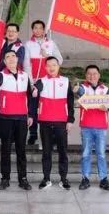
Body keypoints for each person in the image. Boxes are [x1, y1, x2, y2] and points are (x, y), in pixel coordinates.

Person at [0, 50, 33, 191]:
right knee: (6, 149)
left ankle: (23, 178)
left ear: (17, 59)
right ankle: (5, 179)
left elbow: (29, 96)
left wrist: (30, 115)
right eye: (7, 57)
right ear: (4, 61)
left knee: (21, 150)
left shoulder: (25, 76)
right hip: (6, 118)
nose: (11, 59)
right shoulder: (0, 75)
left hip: (21, 118)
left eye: (13, 56)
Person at [31, 56, 75, 190]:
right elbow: (33, 98)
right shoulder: (41, 81)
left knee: (63, 152)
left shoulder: (65, 81)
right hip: (45, 121)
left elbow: (70, 102)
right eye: (49, 65)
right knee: (46, 152)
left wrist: (70, 120)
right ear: (45, 67)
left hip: (61, 122)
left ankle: (63, 178)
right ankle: (46, 178)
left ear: (58, 66)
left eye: (54, 65)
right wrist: (34, 91)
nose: (51, 67)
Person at [24, 20, 63, 146]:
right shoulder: (28, 44)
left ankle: (50, 134)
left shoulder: (50, 43)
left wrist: (47, 56)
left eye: (40, 28)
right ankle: (33, 133)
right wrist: (31, 82)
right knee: (33, 108)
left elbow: (60, 60)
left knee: (47, 107)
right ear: (32, 30)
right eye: (35, 28)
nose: (38, 30)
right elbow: (26, 64)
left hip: (48, 81)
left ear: (44, 29)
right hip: (35, 81)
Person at [74, 65, 109, 191]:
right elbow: (78, 92)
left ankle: (103, 179)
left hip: (101, 127)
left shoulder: (105, 89)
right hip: (86, 126)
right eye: (89, 74)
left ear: (99, 75)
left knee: (101, 154)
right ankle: (85, 178)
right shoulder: (83, 88)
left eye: (94, 73)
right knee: (86, 153)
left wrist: (107, 107)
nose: (92, 76)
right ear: (86, 75)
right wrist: (75, 89)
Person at [0, 23, 25, 143]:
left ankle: (11, 134)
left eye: (13, 31)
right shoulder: (0, 43)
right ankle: (2, 131)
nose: (10, 33)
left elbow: (16, 62)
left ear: (17, 33)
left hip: (11, 80)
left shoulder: (19, 47)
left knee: (10, 107)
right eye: (9, 31)